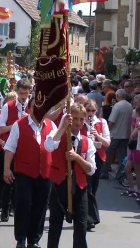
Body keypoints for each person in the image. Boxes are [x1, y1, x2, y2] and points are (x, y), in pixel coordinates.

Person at [3, 98, 57, 248]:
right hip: (24, 172)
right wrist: (6, 169)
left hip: (45, 173)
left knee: (40, 207)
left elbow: (55, 146)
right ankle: (21, 238)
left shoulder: (51, 125)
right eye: (35, 106)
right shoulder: (19, 125)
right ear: (29, 108)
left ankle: (34, 240)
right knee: (23, 204)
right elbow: (10, 148)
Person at [45, 104, 97, 248]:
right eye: (75, 118)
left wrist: (77, 158)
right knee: (55, 225)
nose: (78, 122)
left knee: (80, 227)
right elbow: (49, 146)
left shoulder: (88, 141)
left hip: (79, 188)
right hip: (59, 185)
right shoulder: (59, 134)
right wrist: (62, 127)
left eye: (81, 119)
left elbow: (91, 170)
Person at [0, 79, 31, 222]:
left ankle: (18, 208)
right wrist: (17, 125)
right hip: (11, 147)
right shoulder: (8, 106)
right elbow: (0, 129)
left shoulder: (33, 106)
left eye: (26, 93)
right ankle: (5, 208)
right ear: (16, 91)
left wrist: (29, 119)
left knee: (23, 181)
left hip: (27, 148)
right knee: (8, 181)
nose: (23, 97)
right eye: (21, 93)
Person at [82, 99, 110, 230]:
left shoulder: (101, 122)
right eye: (88, 110)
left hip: (98, 157)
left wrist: (97, 135)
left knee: (93, 187)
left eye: (93, 111)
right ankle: (88, 218)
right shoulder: (80, 121)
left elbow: (107, 143)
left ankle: (88, 214)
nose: (91, 113)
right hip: (83, 157)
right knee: (86, 187)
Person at [102, 89, 133, 179]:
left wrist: (106, 129)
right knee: (122, 154)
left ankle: (105, 172)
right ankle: (120, 174)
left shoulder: (117, 106)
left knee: (107, 151)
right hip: (126, 134)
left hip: (115, 134)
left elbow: (112, 121)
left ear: (118, 96)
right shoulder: (130, 106)